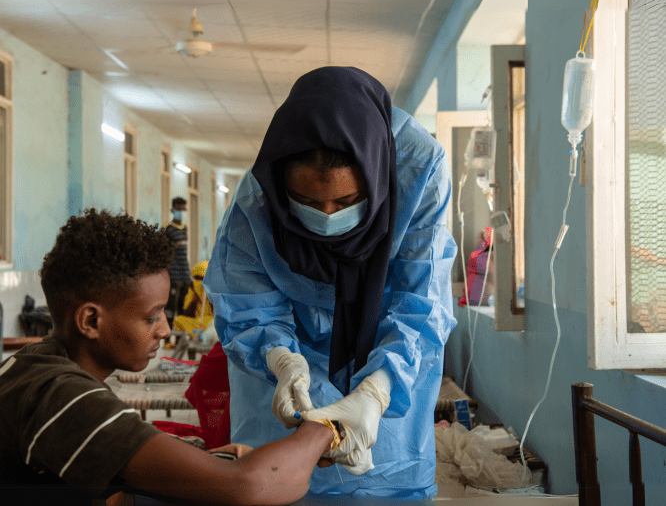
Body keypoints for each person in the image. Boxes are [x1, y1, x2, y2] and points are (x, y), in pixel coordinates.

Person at [204, 66, 457, 499]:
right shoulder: (256, 200)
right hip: (280, 385)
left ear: (376, 181)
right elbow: (245, 306)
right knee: (275, 480)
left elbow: (421, 302)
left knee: (384, 478)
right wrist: (281, 360)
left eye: (346, 201)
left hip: (388, 365)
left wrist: (376, 393)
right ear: (281, 185)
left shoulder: (417, 172)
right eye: (305, 201)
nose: (326, 217)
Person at [0, 209, 336, 505]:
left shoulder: (37, 363)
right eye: (152, 316)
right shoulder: (61, 396)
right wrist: (326, 427)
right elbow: (252, 486)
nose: (164, 329)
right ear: (91, 321)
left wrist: (204, 459)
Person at [164, 196, 190, 330]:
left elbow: (184, 253)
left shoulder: (184, 228)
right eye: (179, 209)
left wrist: (188, 275)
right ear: (172, 210)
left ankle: (180, 339)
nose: (181, 211)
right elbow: (164, 250)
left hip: (184, 274)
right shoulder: (168, 229)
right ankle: (168, 339)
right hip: (173, 275)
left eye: (183, 209)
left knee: (182, 307)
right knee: (170, 306)